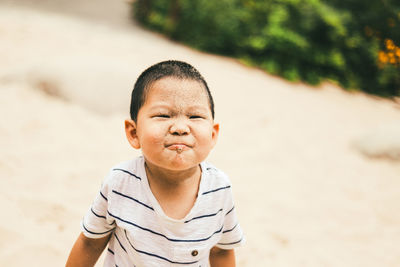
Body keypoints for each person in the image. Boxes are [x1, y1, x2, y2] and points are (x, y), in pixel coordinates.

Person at [66, 60, 244, 267]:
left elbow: (221, 250)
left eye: (195, 116)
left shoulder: (219, 188)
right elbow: (90, 242)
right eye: (163, 115)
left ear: (213, 135)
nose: (180, 128)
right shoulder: (120, 182)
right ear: (134, 133)